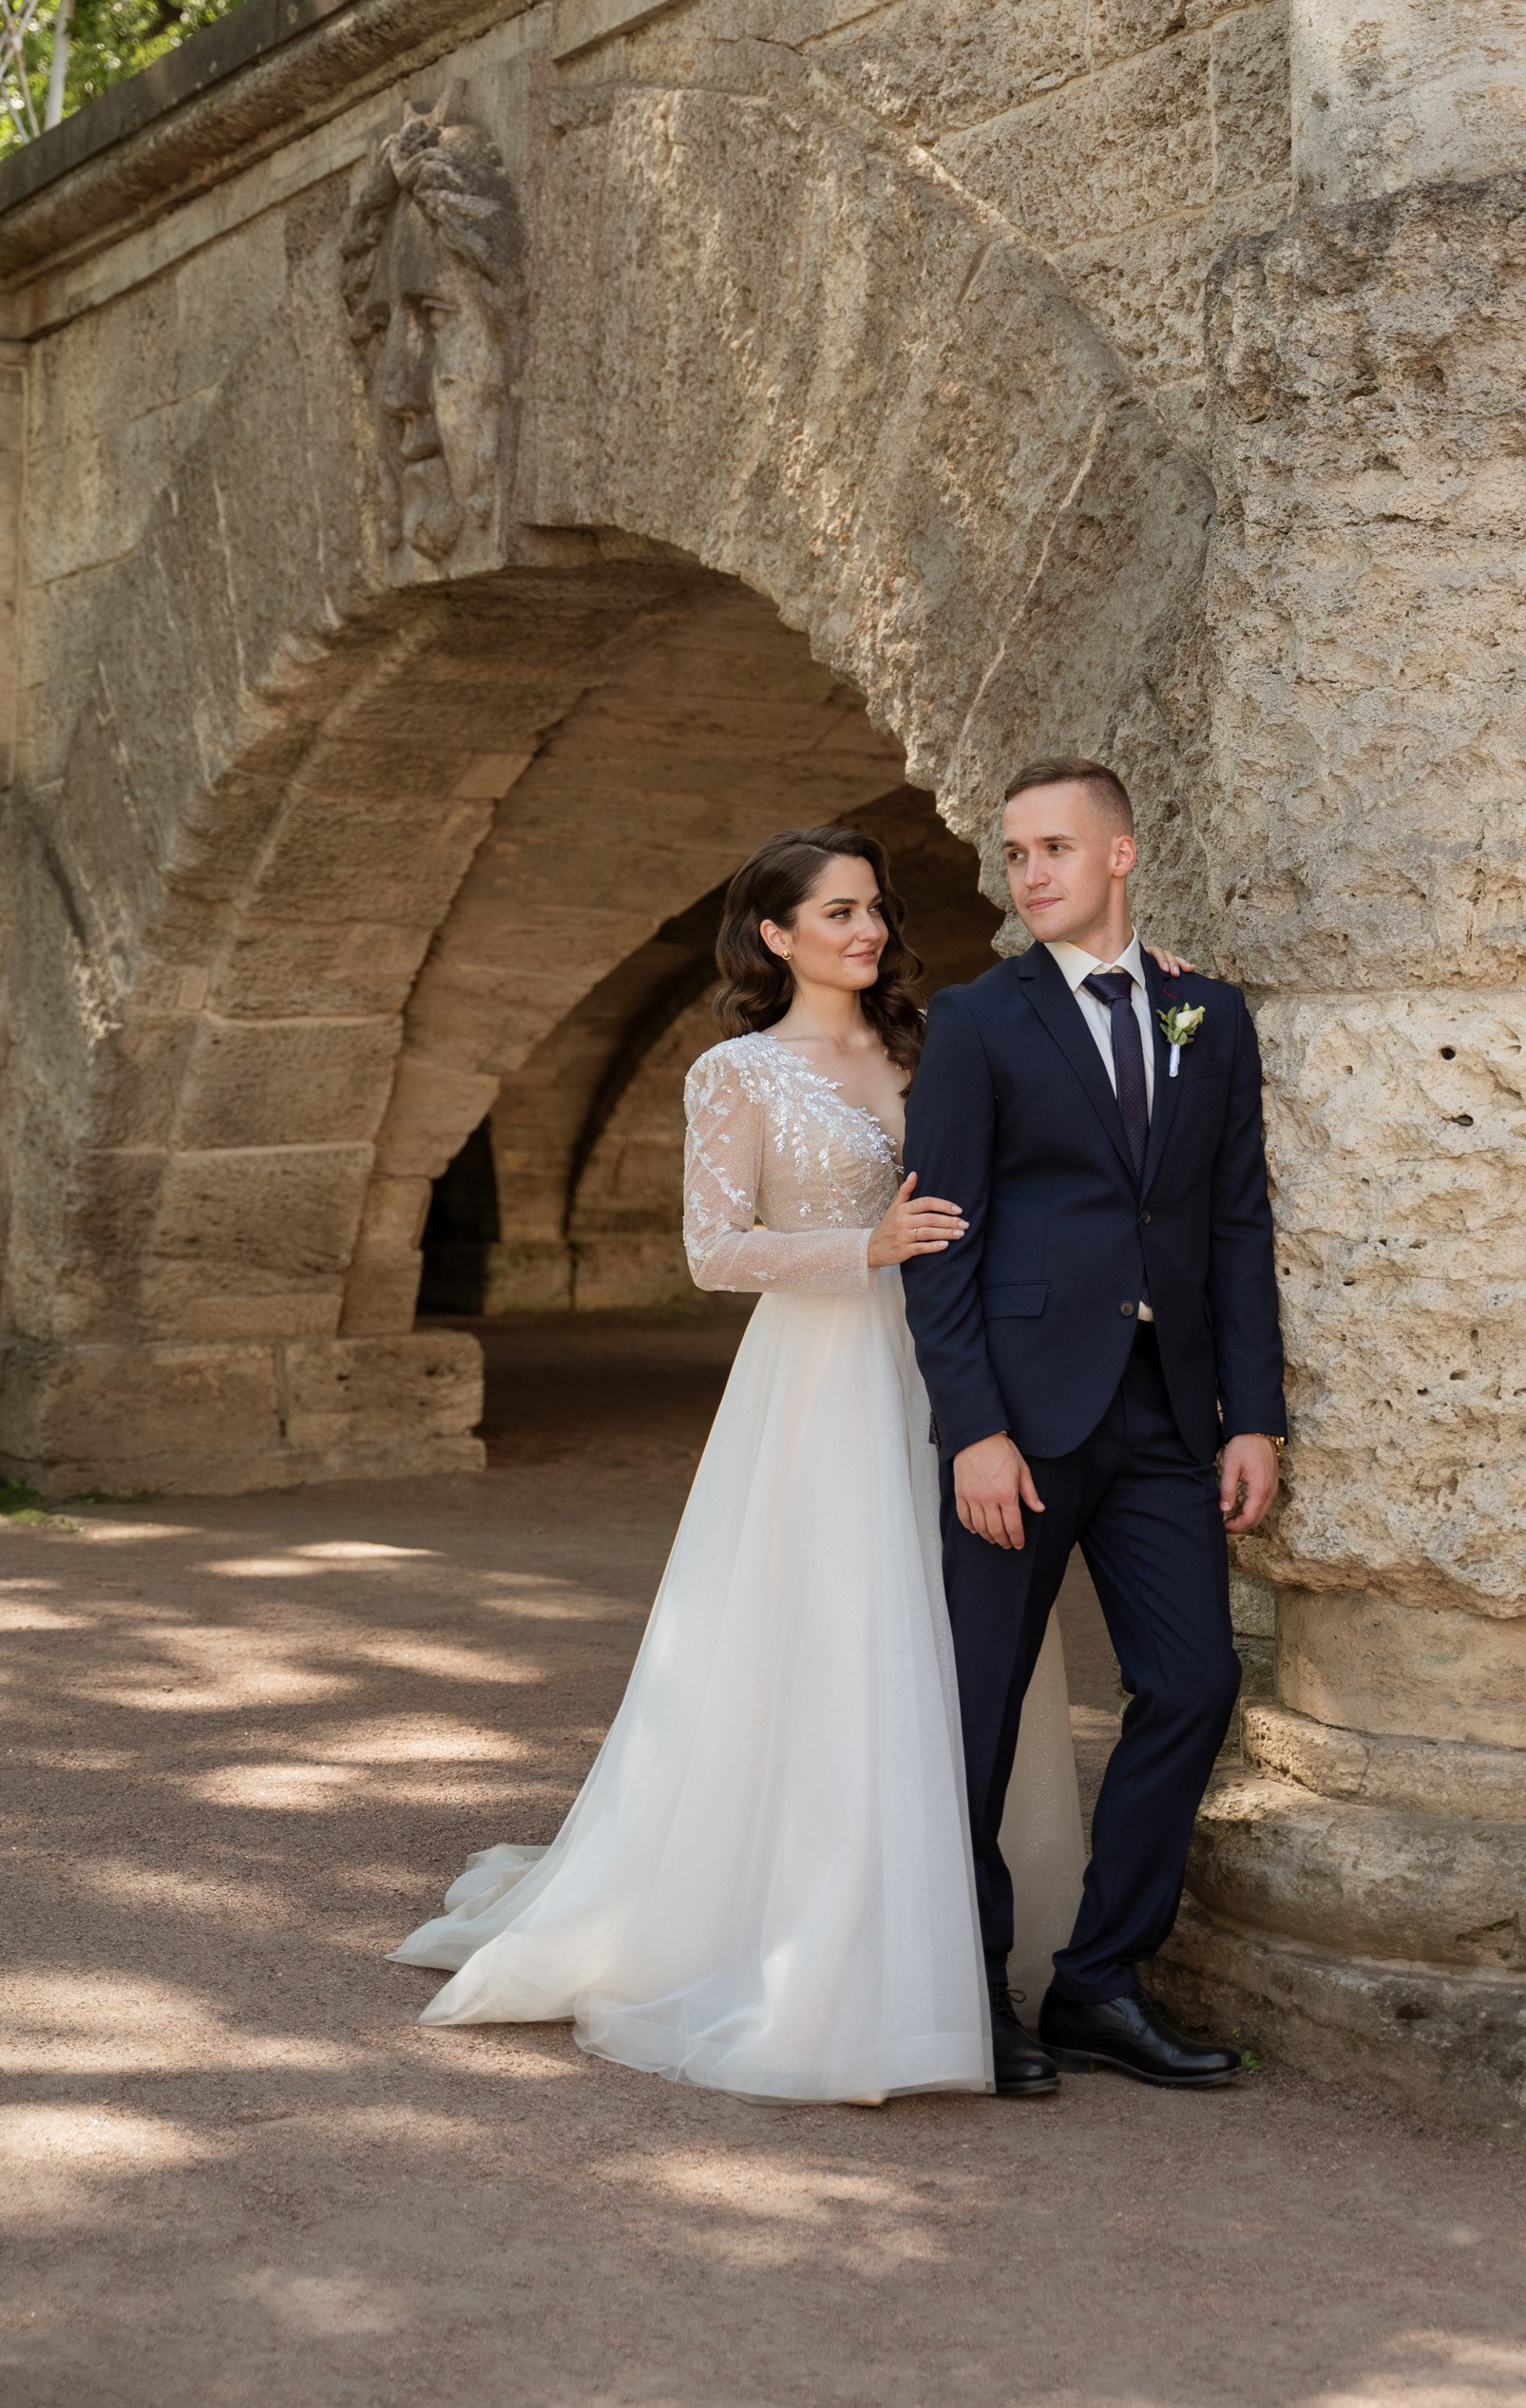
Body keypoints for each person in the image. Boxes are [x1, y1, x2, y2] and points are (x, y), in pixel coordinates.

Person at [390, 825, 1083, 2102]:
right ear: (776, 935)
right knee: (841, 1638)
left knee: (966, 1644)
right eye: (837, 913)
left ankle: (978, 1944)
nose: (868, 930)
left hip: (953, 1365)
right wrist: (863, 1247)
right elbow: (713, 1251)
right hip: (824, 1378)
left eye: (873, 909)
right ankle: (829, 1951)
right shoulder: (737, 1072)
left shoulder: (934, 1044)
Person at [902, 758, 1286, 2093]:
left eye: (1055, 848)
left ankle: (1099, 1984)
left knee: (1194, 1683)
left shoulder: (1206, 1015)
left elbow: (1234, 1220)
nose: (1031, 874)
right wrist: (972, 1430)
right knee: (979, 1710)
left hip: (1168, 1416)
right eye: (1015, 854)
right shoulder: (977, 1021)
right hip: (1019, 1422)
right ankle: (971, 1990)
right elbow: (939, 1244)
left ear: (1121, 853)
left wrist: (1253, 1417)